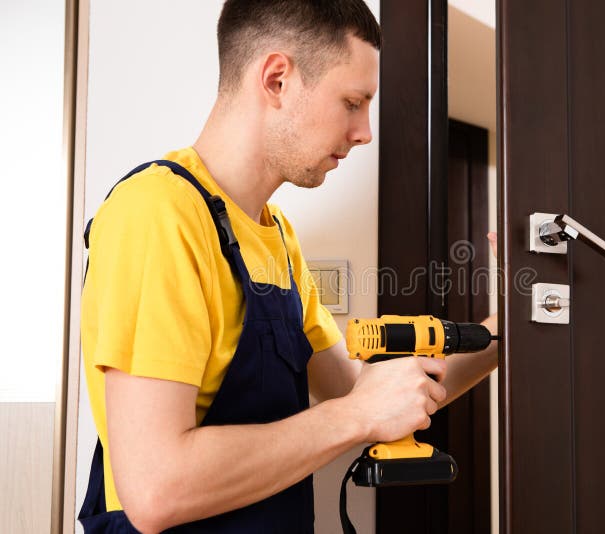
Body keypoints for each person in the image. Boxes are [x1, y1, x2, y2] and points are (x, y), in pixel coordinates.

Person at [79, 1, 498, 532]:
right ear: (276, 79)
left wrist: (504, 331)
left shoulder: (275, 234)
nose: (365, 132)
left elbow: (357, 390)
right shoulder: (158, 214)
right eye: (352, 102)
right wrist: (356, 415)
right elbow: (155, 489)